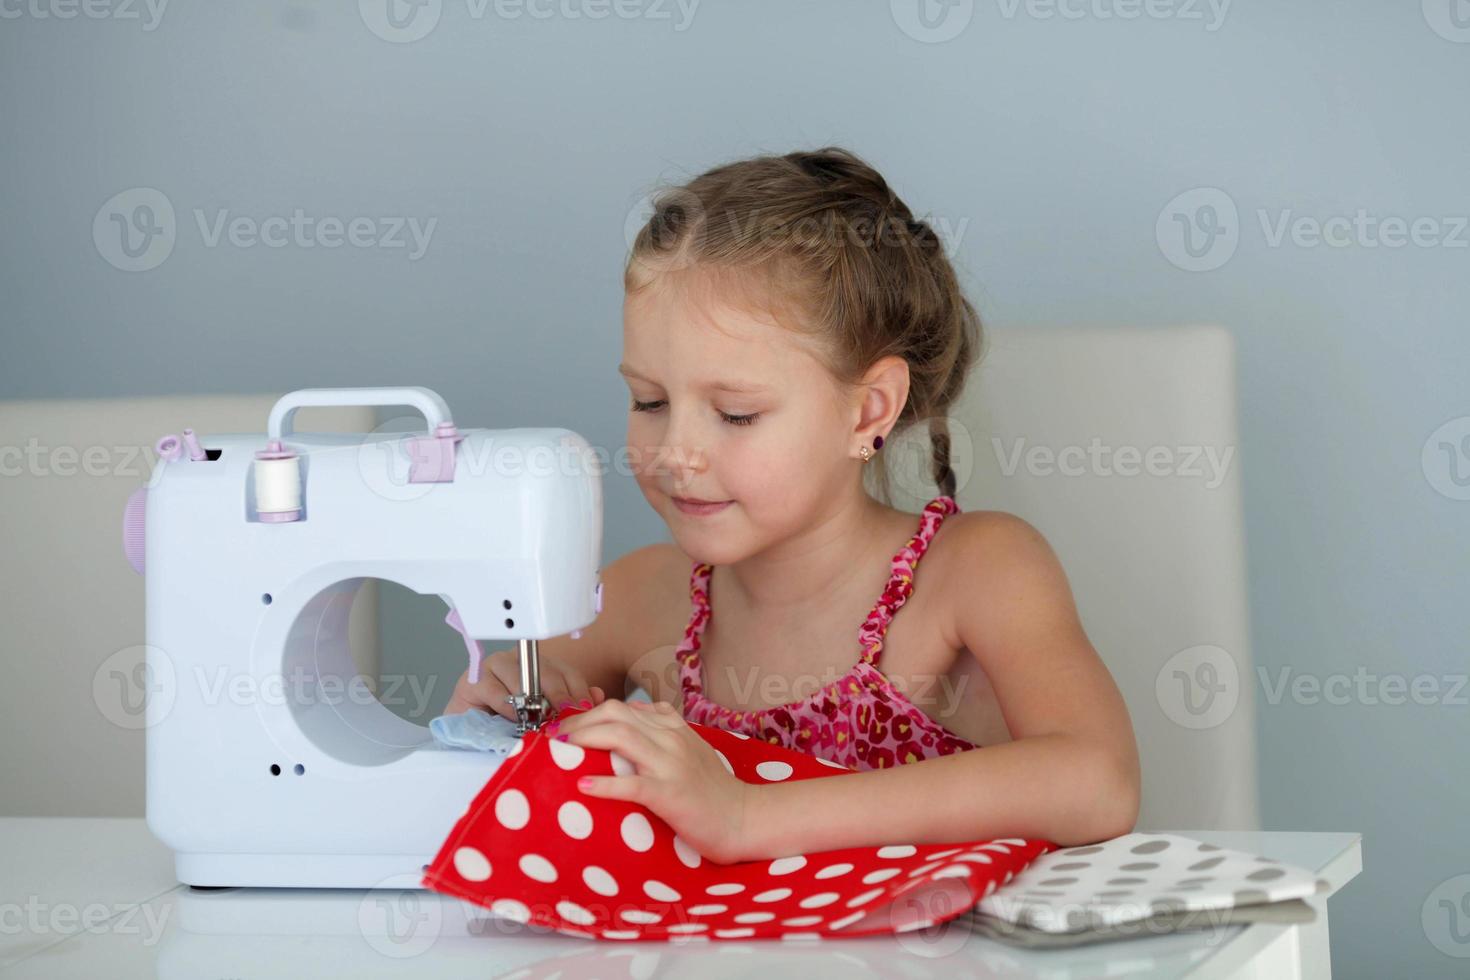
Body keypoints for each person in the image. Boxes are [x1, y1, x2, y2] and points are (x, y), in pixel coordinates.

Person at [446, 147, 1139, 863]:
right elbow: (524, 816)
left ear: (867, 411)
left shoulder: (975, 574)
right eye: (649, 401)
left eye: (737, 414)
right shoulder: (637, 601)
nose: (676, 450)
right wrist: (488, 725)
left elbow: (1098, 781)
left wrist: (750, 816)